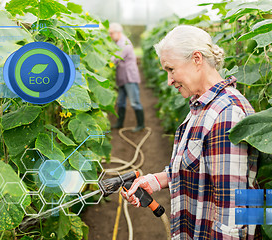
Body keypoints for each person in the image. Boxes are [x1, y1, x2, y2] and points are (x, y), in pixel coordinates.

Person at [121, 25, 258, 239]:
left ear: (196, 59)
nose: (169, 80)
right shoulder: (202, 105)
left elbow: (231, 212)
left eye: (171, 69)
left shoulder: (227, 113)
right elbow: (198, 167)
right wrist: (155, 180)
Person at [109, 23, 145, 132]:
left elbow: (116, 58)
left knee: (134, 102)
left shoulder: (124, 43)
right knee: (120, 102)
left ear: (118, 32)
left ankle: (141, 125)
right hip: (122, 77)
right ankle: (119, 123)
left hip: (129, 77)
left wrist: (103, 62)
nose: (110, 36)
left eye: (111, 33)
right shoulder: (118, 43)